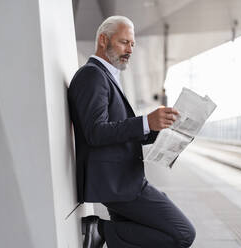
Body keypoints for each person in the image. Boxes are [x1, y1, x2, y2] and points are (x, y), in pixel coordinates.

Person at [67, 16, 196, 248]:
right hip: (118, 183)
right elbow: (95, 132)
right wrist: (146, 121)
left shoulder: (108, 77)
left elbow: (119, 131)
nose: (130, 50)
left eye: (133, 44)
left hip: (124, 179)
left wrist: (159, 128)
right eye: (124, 42)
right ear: (103, 40)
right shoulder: (92, 75)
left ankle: (105, 233)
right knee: (182, 233)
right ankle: (100, 231)